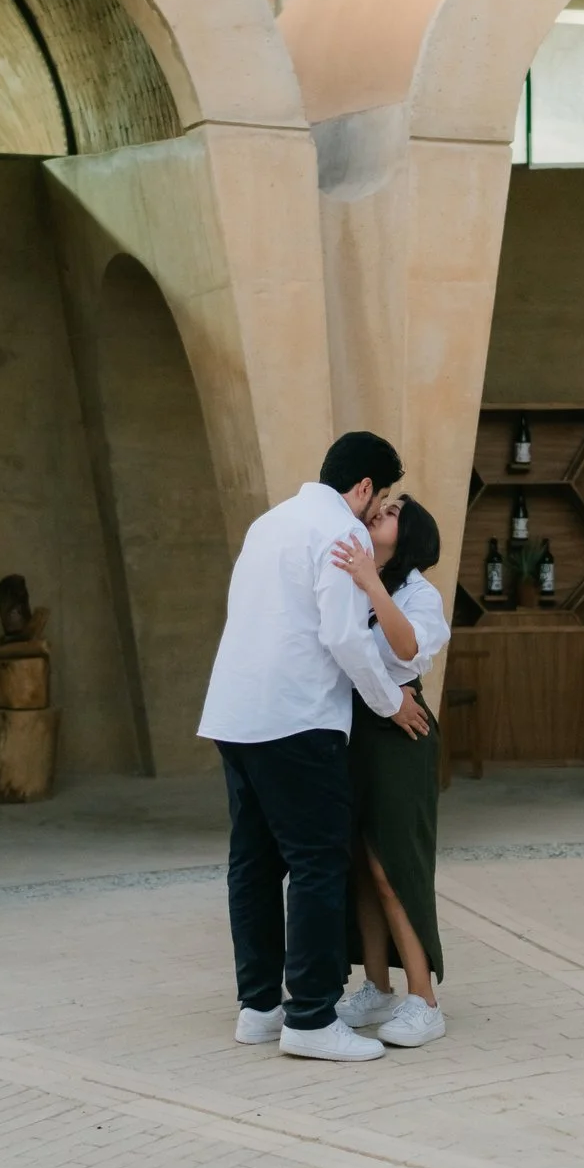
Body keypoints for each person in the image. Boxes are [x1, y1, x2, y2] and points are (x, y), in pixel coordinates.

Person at [199, 432, 432, 1061]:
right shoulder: (342, 533)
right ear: (362, 488)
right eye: (378, 497)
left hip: (234, 713)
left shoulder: (268, 523)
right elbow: (345, 639)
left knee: (251, 864)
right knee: (318, 863)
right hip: (296, 719)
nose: (376, 509)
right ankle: (309, 1018)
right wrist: (390, 701)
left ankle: (259, 1009)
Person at [328, 494, 450, 1047]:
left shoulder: (420, 594)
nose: (381, 510)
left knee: (393, 865)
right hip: (351, 731)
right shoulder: (351, 576)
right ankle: (375, 987)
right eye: (380, 505)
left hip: (400, 732)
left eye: (396, 510)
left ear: (413, 532)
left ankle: (423, 1000)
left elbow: (407, 649)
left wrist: (372, 584)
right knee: (359, 864)